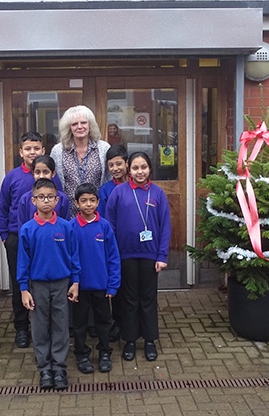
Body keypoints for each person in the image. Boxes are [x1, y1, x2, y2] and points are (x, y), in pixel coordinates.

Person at [104, 151, 171, 362]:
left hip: (151, 255)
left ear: (150, 169)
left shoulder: (158, 194)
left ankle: (150, 340)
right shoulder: (118, 193)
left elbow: (165, 226)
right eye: (135, 168)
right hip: (125, 256)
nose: (139, 172)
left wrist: (162, 255)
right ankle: (130, 340)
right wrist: (112, 256)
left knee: (148, 299)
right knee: (129, 299)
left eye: (143, 167)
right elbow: (109, 225)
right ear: (128, 169)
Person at [0, 132, 61, 349]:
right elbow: (3, 207)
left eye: (36, 148)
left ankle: (49, 326)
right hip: (17, 238)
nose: (32, 152)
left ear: (43, 151)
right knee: (20, 283)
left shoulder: (53, 177)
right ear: (21, 152)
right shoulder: (12, 177)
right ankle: (22, 328)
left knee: (46, 282)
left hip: (47, 238)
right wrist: (5, 236)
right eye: (28, 149)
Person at [17, 178, 80, 390]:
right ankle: (44, 368)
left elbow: (74, 256)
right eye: (41, 197)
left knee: (61, 325)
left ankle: (59, 367)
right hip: (38, 285)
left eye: (50, 197)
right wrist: (24, 289)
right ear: (33, 200)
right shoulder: (27, 229)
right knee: (40, 326)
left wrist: (75, 281)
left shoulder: (66, 227)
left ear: (57, 200)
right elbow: (22, 262)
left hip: (62, 283)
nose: (46, 201)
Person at [70, 183, 121, 374]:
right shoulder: (71, 227)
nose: (88, 204)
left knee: (103, 321)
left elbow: (113, 257)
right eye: (84, 201)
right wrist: (72, 283)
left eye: (92, 200)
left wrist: (112, 285)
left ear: (98, 202)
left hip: (102, 285)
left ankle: (104, 352)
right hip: (80, 287)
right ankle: (82, 354)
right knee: (80, 323)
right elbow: (69, 258)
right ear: (76, 203)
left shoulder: (104, 226)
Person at [50, 105, 111, 217]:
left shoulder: (103, 148)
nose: (79, 127)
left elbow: (109, 179)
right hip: (68, 215)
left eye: (83, 122)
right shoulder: (58, 151)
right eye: (74, 124)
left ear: (90, 125)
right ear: (68, 128)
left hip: (97, 213)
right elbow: (54, 182)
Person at [96, 144, 129, 342]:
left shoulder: (137, 185)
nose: (115, 168)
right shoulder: (105, 191)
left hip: (134, 245)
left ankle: (133, 321)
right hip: (114, 245)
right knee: (116, 285)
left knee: (132, 287)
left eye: (119, 164)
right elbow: (103, 219)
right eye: (111, 165)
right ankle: (118, 322)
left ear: (127, 163)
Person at [17, 155, 70, 227]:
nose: (41, 176)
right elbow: (22, 228)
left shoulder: (62, 198)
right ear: (33, 173)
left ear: (53, 173)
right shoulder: (25, 199)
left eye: (46, 172)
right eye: (37, 172)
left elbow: (66, 226)